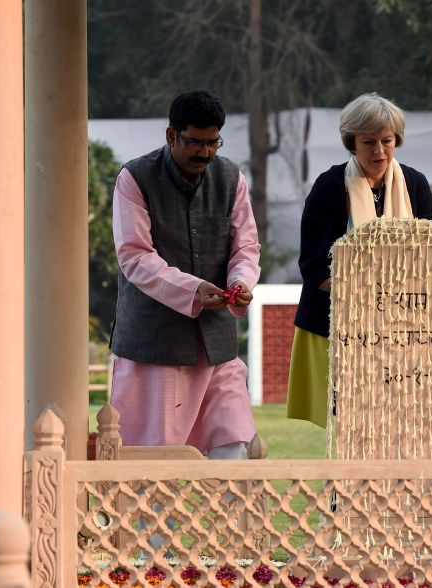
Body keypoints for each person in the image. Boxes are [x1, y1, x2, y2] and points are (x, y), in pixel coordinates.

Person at [109, 90, 260, 460]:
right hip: (154, 344)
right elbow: (135, 256)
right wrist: (192, 290)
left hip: (216, 345)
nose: (205, 153)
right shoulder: (135, 178)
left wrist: (241, 282)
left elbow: (246, 246)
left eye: (213, 143)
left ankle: (229, 521)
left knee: (233, 447)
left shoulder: (231, 178)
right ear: (171, 136)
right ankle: (148, 522)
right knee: (153, 461)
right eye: (195, 142)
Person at [287, 92, 432, 428]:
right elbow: (312, 265)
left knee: (399, 423)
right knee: (349, 425)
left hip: (401, 326)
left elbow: (430, 259)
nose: (379, 151)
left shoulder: (416, 184)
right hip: (335, 324)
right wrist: (366, 296)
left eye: (387, 141)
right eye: (368, 142)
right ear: (351, 143)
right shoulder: (328, 186)